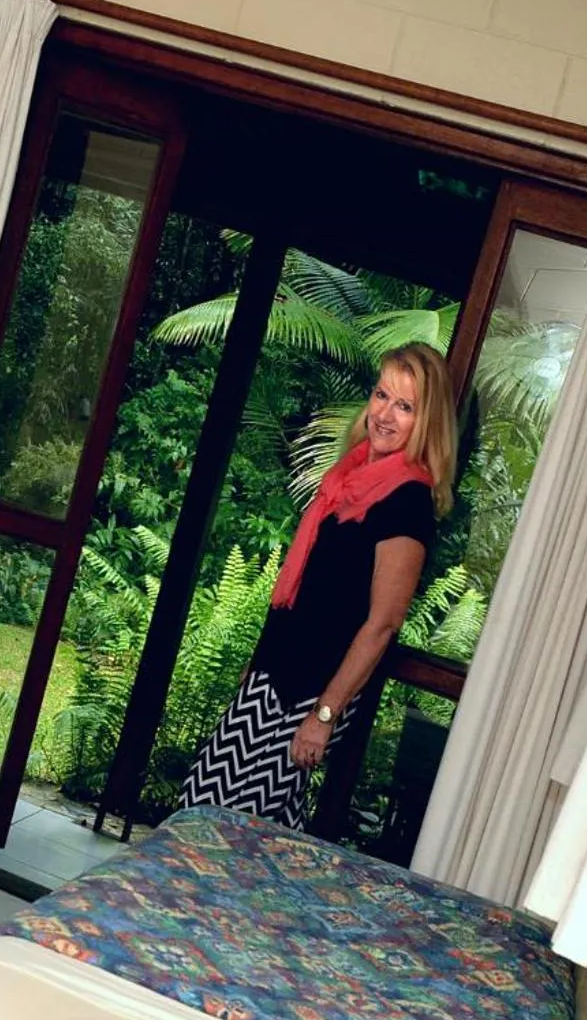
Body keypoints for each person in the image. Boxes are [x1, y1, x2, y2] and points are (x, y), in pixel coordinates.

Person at [180, 341, 456, 830]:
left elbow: (381, 624)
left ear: (426, 423)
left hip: (312, 692)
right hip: (276, 674)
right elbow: (304, 588)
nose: (385, 415)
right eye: (381, 395)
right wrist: (257, 664)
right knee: (243, 819)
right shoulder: (347, 477)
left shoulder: (408, 501)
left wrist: (323, 716)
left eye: (406, 406)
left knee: (216, 819)